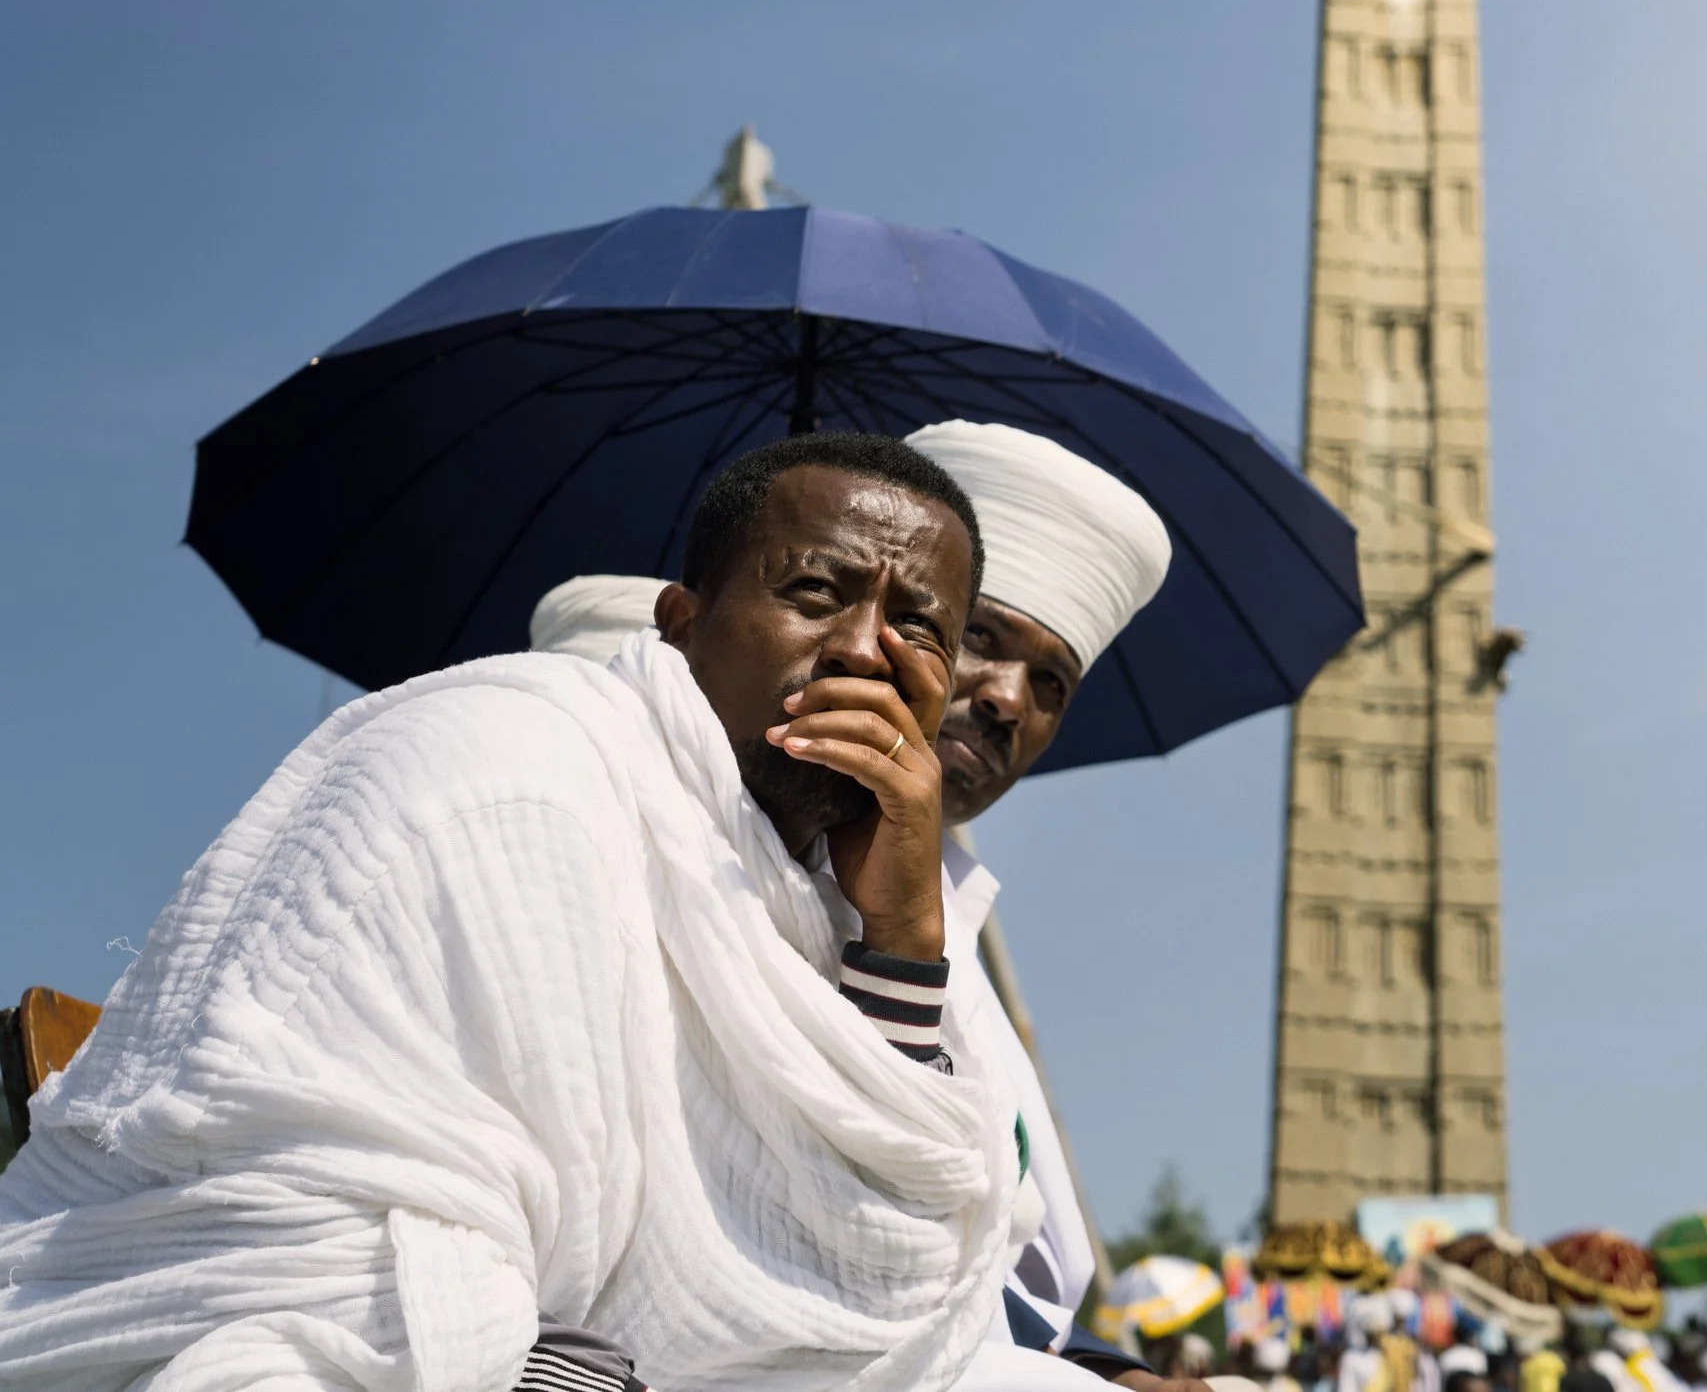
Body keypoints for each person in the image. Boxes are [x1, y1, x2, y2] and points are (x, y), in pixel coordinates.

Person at [0, 431, 1112, 1391]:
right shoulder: (508, 767)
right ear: (679, 622)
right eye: (815, 592)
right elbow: (292, 1226)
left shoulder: (841, 888)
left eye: (920, 626)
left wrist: (907, 939)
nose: (867, 648)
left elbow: (879, 1287)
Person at [521, 421, 1184, 1392]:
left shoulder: (936, 906)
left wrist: (1092, 1364)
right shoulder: (671, 837)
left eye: (1049, 682)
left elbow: (937, 1235)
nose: (1003, 699)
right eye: (981, 640)